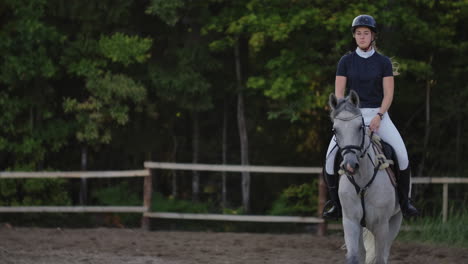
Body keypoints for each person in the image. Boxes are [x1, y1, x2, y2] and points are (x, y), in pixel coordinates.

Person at [322, 14, 419, 219]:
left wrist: (379, 116)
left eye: (366, 33)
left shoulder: (383, 62)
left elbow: (389, 94)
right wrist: (345, 114)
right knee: (330, 158)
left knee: (402, 155)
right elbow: (339, 93)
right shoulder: (345, 61)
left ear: (373, 36)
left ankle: (405, 202)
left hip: (378, 115)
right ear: (354, 36)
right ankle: (335, 205)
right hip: (351, 118)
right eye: (358, 33)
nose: (362, 36)